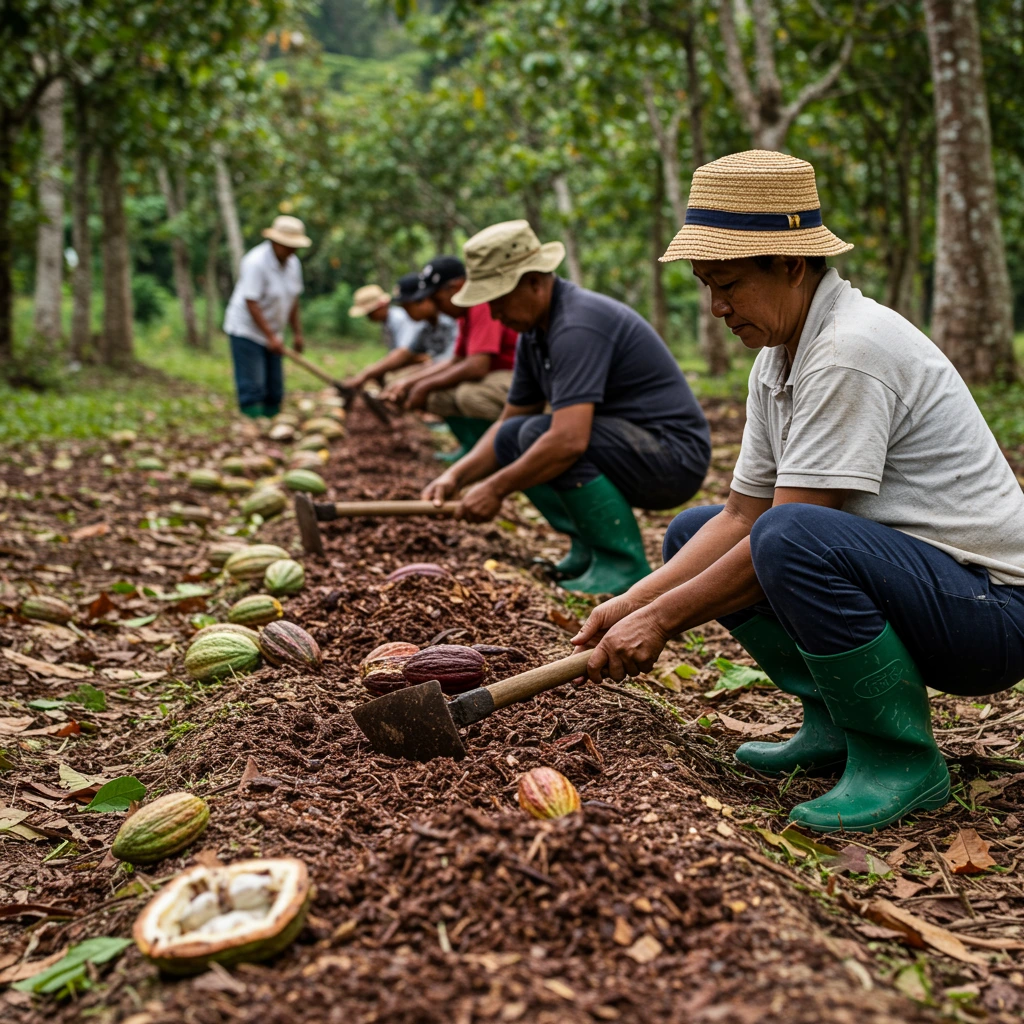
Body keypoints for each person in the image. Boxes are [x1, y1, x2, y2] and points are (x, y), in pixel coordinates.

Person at [572, 150, 1024, 833]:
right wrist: (632, 602)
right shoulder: (779, 358)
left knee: (792, 539)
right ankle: (835, 722)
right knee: (695, 532)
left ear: (790, 265)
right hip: (928, 584)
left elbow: (788, 531)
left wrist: (662, 622)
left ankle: (899, 757)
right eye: (706, 286)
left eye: (728, 285)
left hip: (990, 612)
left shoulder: (850, 350)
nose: (717, 307)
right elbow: (741, 514)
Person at [421, 220, 711, 595]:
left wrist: (494, 489)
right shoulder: (534, 334)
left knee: (544, 437)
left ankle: (622, 564)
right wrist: (456, 477)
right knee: (515, 435)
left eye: (498, 300)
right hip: (628, 445)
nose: (494, 315)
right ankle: (587, 545)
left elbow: (569, 441)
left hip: (671, 458)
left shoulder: (576, 325)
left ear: (534, 282)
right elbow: (508, 423)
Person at [382, 256, 519, 459]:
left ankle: (501, 453)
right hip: (498, 376)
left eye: (438, 300)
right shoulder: (465, 315)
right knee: (438, 395)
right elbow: (455, 361)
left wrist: (424, 385)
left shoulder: (481, 305)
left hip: (514, 375)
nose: (437, 307)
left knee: (469, 395)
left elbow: (477, 366)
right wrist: (410, 382)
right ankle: (471, 446)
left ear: (457, 286)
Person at [222, 215, 310, 418]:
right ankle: (253, 424)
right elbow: (251, 302)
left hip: (273, 331)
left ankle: (272, 422)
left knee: (274, 387)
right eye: (288, 246)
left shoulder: (293, 263)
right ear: (275, 242)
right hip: (247, 330)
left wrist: (297, 333)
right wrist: (269, 336)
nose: (292, 250)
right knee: (253, 384)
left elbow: (293, 300)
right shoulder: (255, 262)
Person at [344, 274, 457, 389]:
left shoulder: (403, 320)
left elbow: (407, 355)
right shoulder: (424, 326)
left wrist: (409, 379)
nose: (369, 317)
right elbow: (405, 353)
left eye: (407, 307)